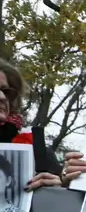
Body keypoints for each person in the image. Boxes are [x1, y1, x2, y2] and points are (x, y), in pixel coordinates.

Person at [0, 58, 62, 190]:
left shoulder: (37, 152)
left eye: (6, 91)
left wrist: (57, 190)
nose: (2, 97)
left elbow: (62, 206)